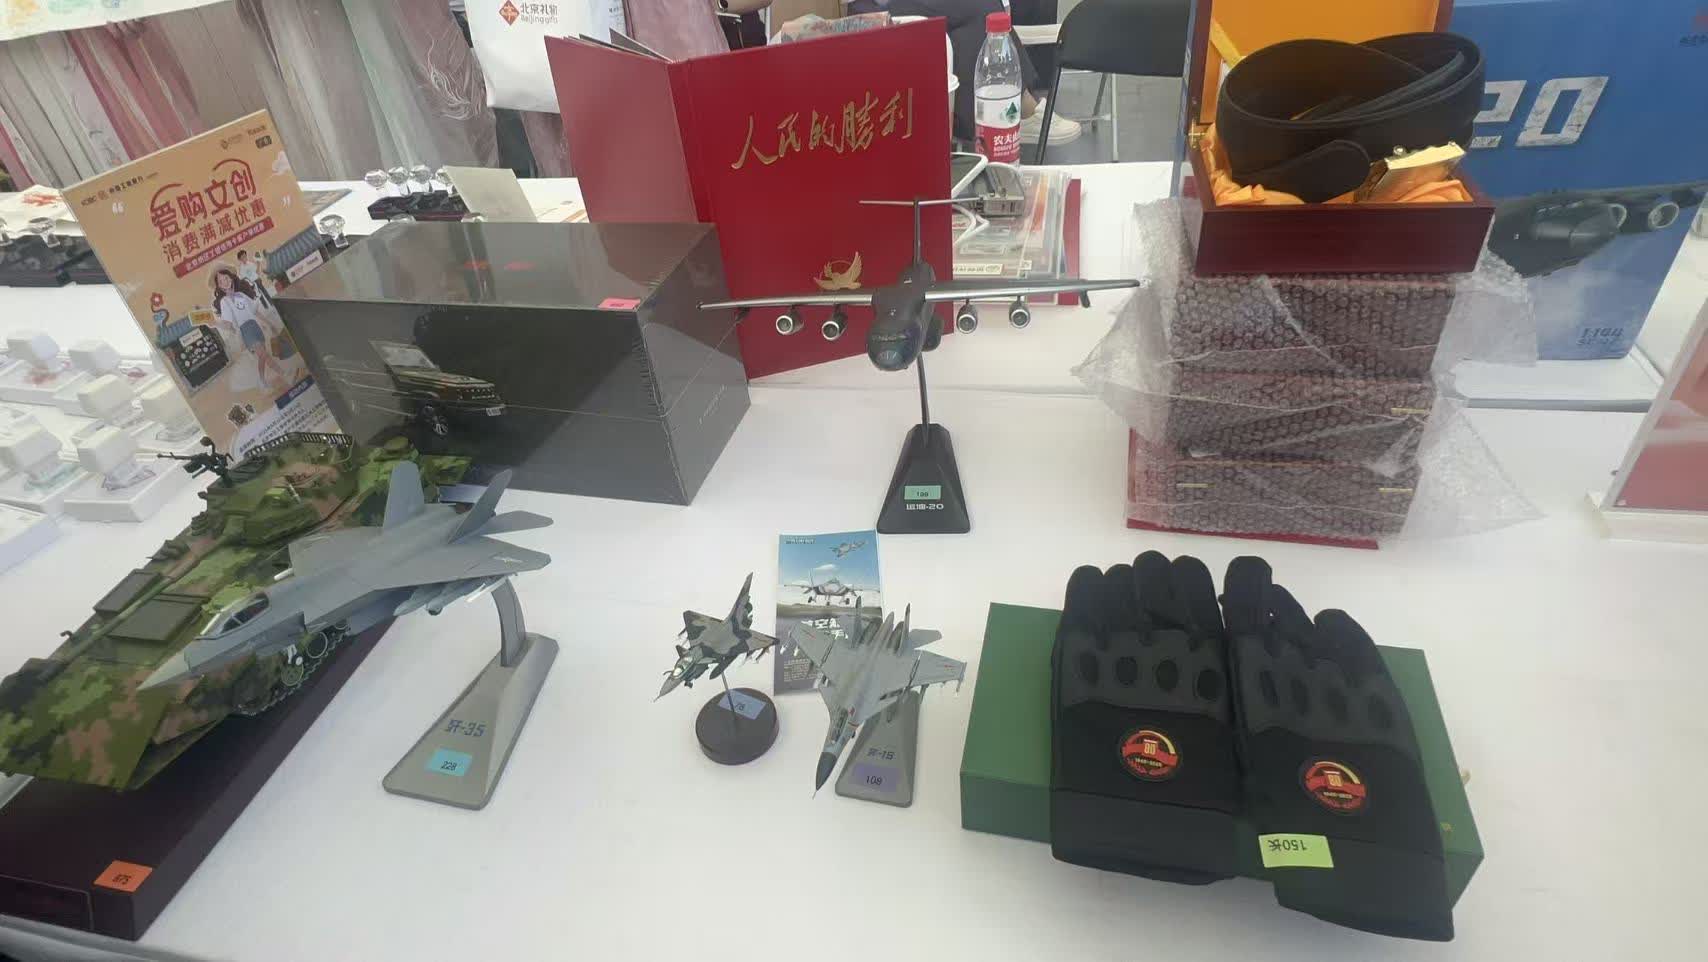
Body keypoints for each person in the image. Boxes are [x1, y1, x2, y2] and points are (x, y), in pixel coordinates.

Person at [845, 0, 1081, 148]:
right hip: (873, 5)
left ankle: (985, 124)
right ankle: (1017, 110)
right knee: (980, 8)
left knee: (970, 25)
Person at [211, 267, 287, 390]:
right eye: (221, 281)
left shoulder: (240, 295)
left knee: (264, 356)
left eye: (226, 278)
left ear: (231, 278)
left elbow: (254, 311)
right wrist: (214, 323)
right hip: (245, 330)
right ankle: (283, 374)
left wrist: (269, 323)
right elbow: (228, 324)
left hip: (254, 326)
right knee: (264, 355)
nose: (225, 282)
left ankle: (262, 380)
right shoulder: (225, 301)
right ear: (219, 286)